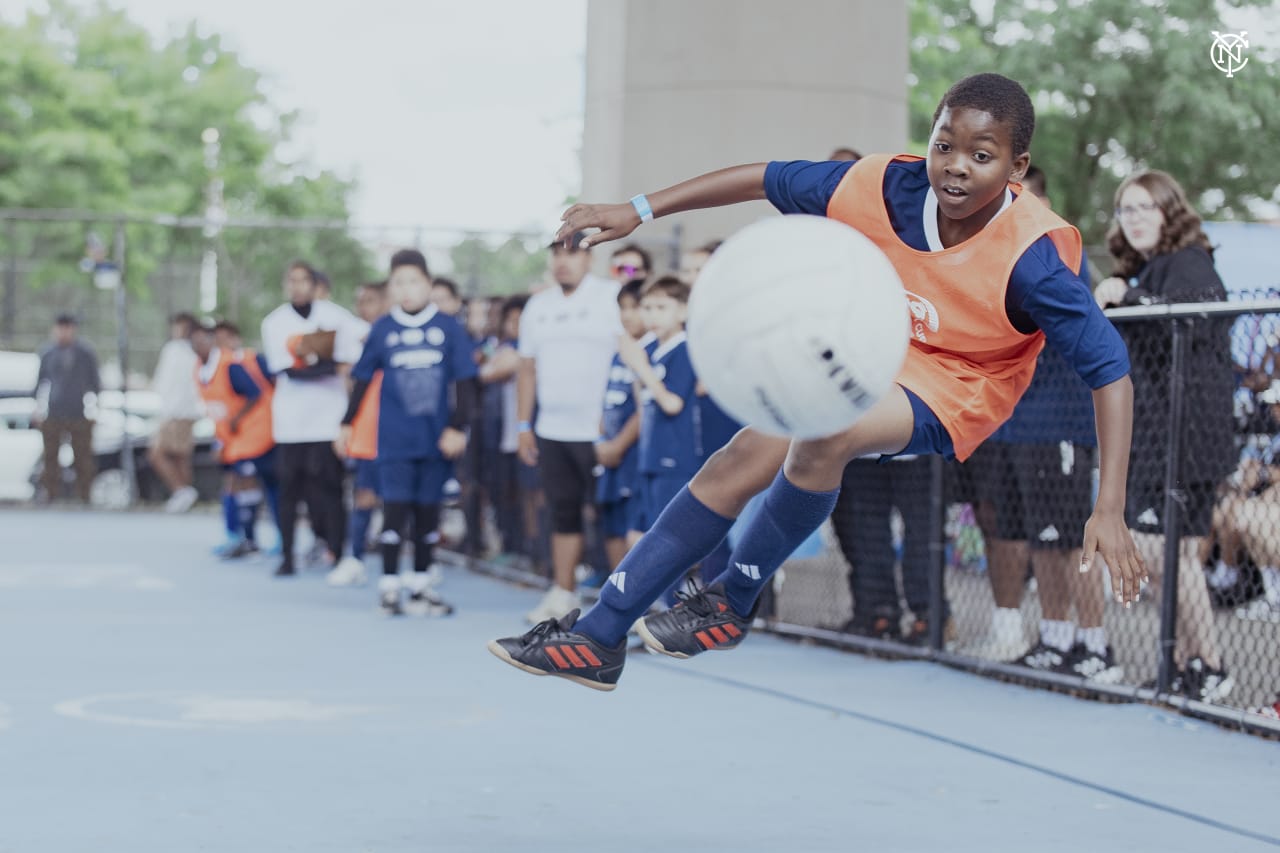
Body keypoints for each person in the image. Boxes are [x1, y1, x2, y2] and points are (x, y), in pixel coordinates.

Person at [489, 72, 1145, 691]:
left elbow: (1110, 370)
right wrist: (638, 209)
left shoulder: (1033, 255)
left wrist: (1109, 506)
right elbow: (763, 177)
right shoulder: (885, 187)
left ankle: (733, 599)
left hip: (963, 387)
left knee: (824, 428)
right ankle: (600, 636)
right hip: (880, 355)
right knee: (741, 454)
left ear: (1016, 170)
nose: (956, 165)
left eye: (981, 155)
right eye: (944, 145)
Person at [1095, 170, 1236, 701]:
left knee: (1165, 552)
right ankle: (1181, 660)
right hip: (1153, 440)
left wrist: (1126, 297)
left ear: (1168, 212)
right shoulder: (1149, 270)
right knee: (1157, 554)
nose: (1132, 219)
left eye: (1144, 208)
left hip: (1188, 441)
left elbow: (1187, 323)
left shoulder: (1189, 262)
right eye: (1125, 210)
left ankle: (1210, 664)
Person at [338, 250, 476, 615]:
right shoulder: (384, 328)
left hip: (435, 440)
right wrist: (346, 424)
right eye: (399, 282)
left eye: (414, 280)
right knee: (394, 510)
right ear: (391, 287)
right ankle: (388, 587)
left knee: (428, 513)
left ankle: (421, 586)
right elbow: (363, 378)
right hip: (394, 439)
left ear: (429, 284)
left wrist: (457, 428)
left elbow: (465, 382)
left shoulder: (448, 328)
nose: (407, 289)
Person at [516, 231, 623, 623]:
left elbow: (629, 357)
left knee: (610, 515)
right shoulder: (537, 306)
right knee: (563, 513)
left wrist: (616, 419)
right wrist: (524, 424)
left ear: (589, 258)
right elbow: (527, 368)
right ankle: (562, 593)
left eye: (573, 252)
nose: (564, 260)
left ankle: (621, 603)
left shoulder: (611, 297)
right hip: (551, 430)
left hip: (601, 432)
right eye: (556, 253)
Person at [260, 260, 364, 577]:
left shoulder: (336, 317)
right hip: (291, 425)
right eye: (291, 280)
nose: (297, 286)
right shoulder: (274, 322)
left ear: (314, 284)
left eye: (303, 280)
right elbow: (287, 369)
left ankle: (337, 550)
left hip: (328, 420)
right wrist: (328, 365)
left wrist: (322, 363)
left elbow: (354, 357)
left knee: (331, 489)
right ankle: (288, 555)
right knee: (290, 492)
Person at [191, 321, 278, 558]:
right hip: (231, 437)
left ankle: (254, 537)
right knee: (234, 483)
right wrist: (220, 439)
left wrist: (236, 420)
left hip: (255, 433)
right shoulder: (200, 370)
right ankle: (237, 535)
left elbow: (255, 394)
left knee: (252, 482)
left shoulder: (235, 364)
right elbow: (218, 409)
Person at [328, 280, 390, 587]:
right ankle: (355, 559)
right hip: (367, 433)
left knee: (401, 500)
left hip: (399, 434)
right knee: (364, 495)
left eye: (368, 300)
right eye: (359, 301)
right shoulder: (356, 340)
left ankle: (419, 567)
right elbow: (352, 386)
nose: (361, 307)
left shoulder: (397, 336)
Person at [593, 281, 647, 578]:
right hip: (610, 456)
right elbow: (606, 401)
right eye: (622, 308)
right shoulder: (618, 352)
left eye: (634, 307)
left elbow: (643, 409)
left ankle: (636, 595)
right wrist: (601, 441)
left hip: (633, 456)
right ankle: (615, 591)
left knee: (634, 528)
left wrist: (618, 446)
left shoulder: (647, 351)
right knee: (611, 525)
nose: (627, 315)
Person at [33, 314, 100, 503]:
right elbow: (40, 383)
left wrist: (94, 408)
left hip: (79, 411)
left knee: (83, 457)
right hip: (53, 410)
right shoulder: (48, 353)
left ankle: (85, 495)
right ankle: (51, 493)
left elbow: (94, 384)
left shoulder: (85, 353)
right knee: (50, 456)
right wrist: (38, 408)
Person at [146, 312, 204, 512]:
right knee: (172, 455)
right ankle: (183, 492)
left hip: (183, 412)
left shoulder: (194, 351)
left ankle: (183, 491)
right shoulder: (171, 349)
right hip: (169, 410)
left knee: (163, 453)